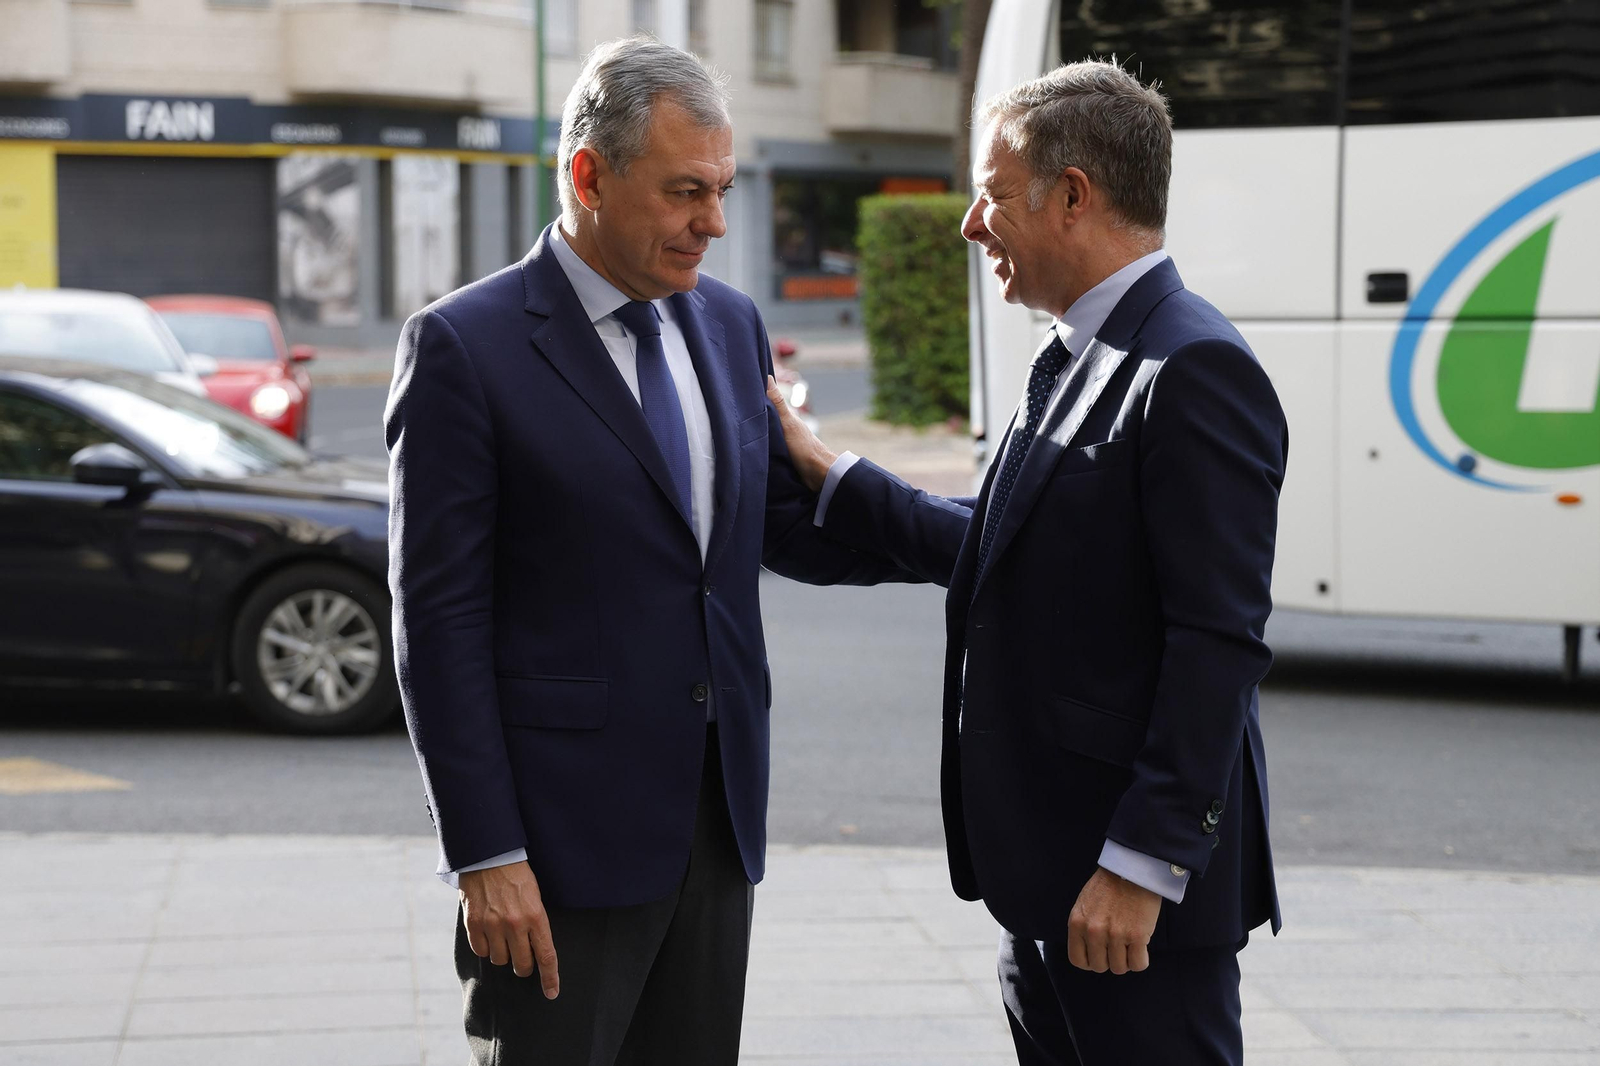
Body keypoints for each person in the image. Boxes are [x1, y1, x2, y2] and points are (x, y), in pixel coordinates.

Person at [385, 37, 908, 1066]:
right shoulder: (463, 346)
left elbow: (769, 531)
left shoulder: (729, 322)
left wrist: (984, 541)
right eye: (684, 193)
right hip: (556, 853)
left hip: (712, 831)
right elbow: (435, 621)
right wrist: (485, 850)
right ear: (589, 174)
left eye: (718, 189)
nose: (713, 222)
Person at [767, 59, 1288, 1065]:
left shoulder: (1191, 367)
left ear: (1074, 196)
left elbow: (1216, 643)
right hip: (1046, 879)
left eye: (991, 194)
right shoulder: (1077, 352)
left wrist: (1142, 866)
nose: (968, 223)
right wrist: (828, 474)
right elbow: (1003, 544)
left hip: (1129, 902)